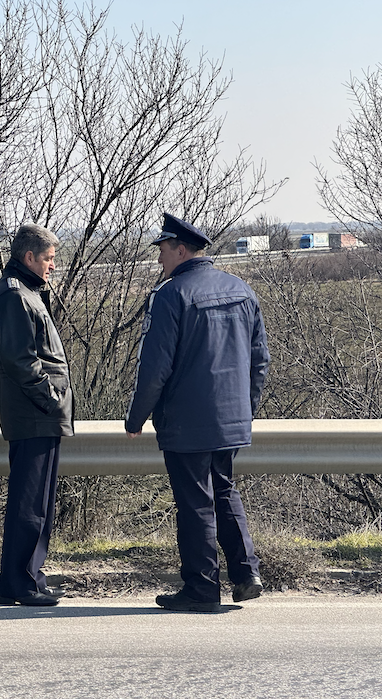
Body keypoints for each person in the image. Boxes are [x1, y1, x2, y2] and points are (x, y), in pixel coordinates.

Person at [125, 213, 270, 613]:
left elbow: (154, 368)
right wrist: (246, 409)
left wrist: (137, 417)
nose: (159, 261)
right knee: (224, 490)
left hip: (188, 422)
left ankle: (202, 588)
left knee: (195, 503)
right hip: (231, 419)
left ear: (181, 250)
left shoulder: (171, 295)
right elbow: (260, 361)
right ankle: (246, 574)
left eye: (163, 251)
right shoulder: (241, 289)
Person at [0, 223, 74, 607]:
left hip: (38, 413)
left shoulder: (25, 292)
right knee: (30, 504)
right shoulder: (15, 297)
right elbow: (20, 360)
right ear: (29, 258)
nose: (53, 266)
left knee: (37, 503)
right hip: (35, 413)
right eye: (49, 259)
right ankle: (22, 583)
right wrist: (53, 398)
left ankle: (26, 580)